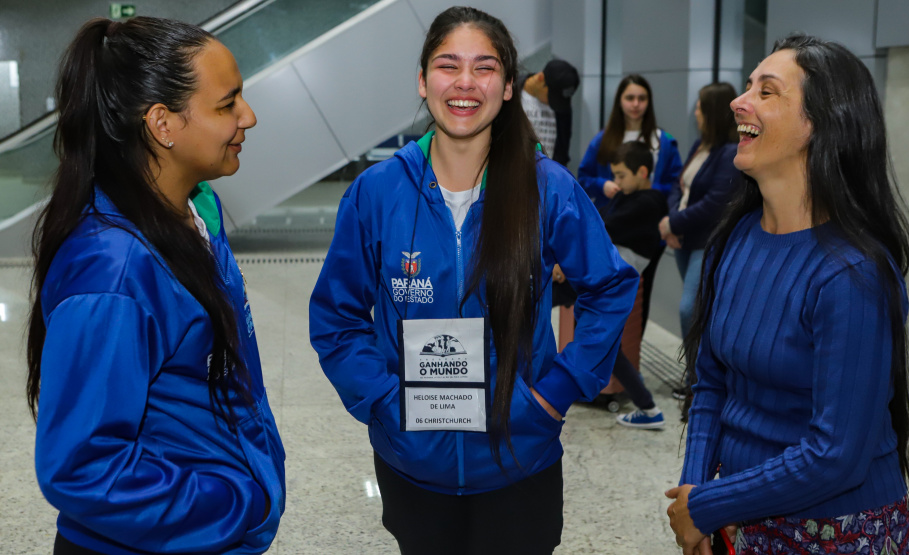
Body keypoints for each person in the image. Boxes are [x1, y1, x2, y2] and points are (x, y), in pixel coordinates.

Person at [309, 7, 638, 554]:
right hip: (412, 466)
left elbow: (609, 287)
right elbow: (337, 317)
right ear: (422, 80)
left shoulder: (547, 188)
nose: (465, 83)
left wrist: (554, 393)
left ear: (508, 86)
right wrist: (387, 401)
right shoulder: (376, 193)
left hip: (520, 463)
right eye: (447, 65)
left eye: (484, 68)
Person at [27, 17, 285, 554]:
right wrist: (233, 503)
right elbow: (80, 466)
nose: (249, 117)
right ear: (162, 124)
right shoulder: (113, 271)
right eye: (227, 104)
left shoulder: (195, 213)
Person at [666, 35, 909, 555]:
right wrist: (697, 494)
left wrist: (710, 507)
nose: (740, 101)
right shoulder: (732, 240)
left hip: (836, 528)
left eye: (767, 91)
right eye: (749, 85)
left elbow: (835, 455)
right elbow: (711, 385)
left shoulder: (851, 274)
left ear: (817, 126)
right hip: (738, 511)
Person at [658, 83, 740, 405]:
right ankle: (697, 379)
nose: (695, 113)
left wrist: (673, 222)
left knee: (690, 308)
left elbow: (717, 202)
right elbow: (679, 186)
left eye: (700, 108)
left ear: (713, 113)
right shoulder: (700, 145)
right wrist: (672, 219)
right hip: (684, 239)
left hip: (705, 242)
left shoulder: (730, 152)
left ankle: (698, 382)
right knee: (698, 311)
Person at [597, 141, 669, 429]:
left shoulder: (649, 202)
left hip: (609, 281)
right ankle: (648, 408)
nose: (616, 182)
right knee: (604, 344)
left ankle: (649, 408)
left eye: (621, 176)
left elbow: (605, 225)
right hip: (605, 278)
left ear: (641, 172)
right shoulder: (631, 197)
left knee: (605, 343)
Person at [578, 74, 683, 211]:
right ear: (619, 101)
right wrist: (602, 185)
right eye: (630, 98)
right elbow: (583, 179)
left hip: (650, 216)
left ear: (649, 102)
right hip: (610, 218)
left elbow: (676, 185)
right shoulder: (602, 139)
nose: (636, 104)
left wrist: (651, 188)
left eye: (642, 98)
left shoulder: (664, 141)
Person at [519, 58, 580, 166]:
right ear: (540, 78)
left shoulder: (562, 107)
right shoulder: (511, 94)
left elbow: (562, 149)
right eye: (552, 97)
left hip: (548, 177)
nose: (553, 104)